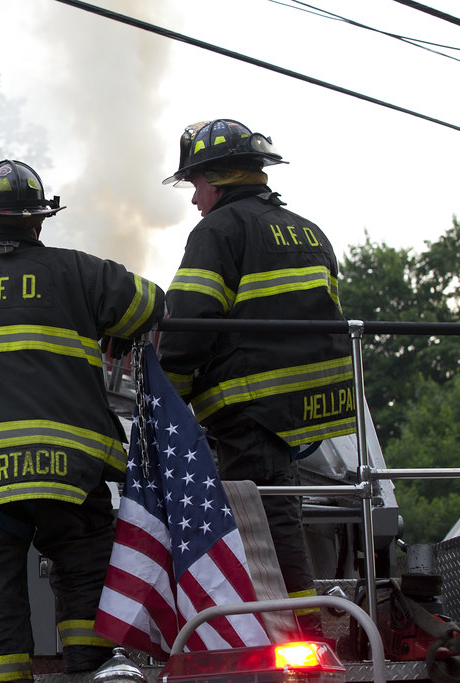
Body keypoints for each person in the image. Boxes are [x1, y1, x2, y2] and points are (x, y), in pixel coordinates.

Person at [0, 159, 165, 682]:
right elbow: (152, 306)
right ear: (39, 221)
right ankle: (97, 671)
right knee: (87, 573)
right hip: (69, 472)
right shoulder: (82, 272)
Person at [156, 119, 357, 640]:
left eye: (196, 186)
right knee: (279, 505)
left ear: (216, 180)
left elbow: (191, 321)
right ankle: (300, 618)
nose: (195, 200)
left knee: (264, 517)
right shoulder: (310, 230)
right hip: (308, 407)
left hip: (251, 402)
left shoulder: (219, 231)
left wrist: (169, 401)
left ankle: (296, 628)